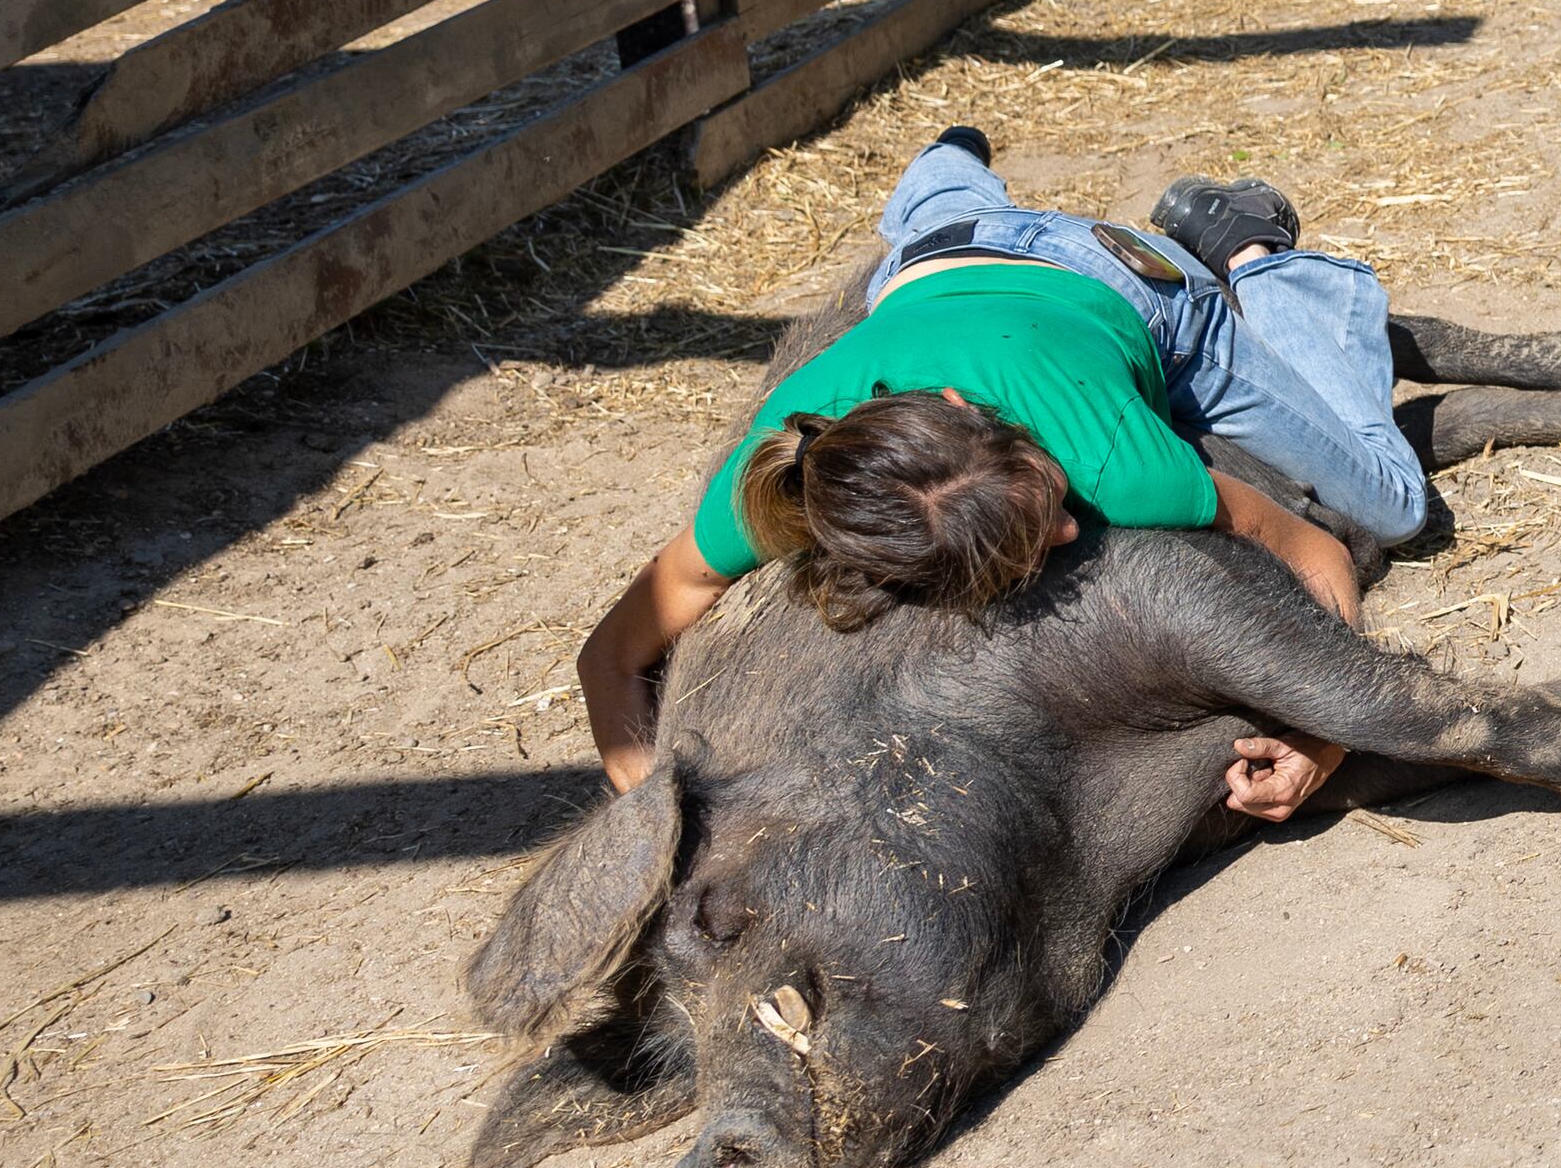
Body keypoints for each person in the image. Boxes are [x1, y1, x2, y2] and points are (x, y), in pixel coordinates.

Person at [576, 130, 1422, 825]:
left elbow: (1314, 551)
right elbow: (608, 659)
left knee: (1392, 502)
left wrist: (1327, 736)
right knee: (940, 208)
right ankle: (943, 162)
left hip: (1122, 277)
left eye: (1047, 501)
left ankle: (1252, 252)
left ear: (957, 407)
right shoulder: (800, 474)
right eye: (1032, 546)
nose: (1067, 530)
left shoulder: (1116, 459)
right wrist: (653, 816)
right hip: (936, 254)